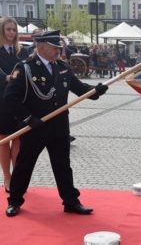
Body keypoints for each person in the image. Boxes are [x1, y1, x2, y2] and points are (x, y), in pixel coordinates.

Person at [3, 30, 108, 217]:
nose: (58, 51)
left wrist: (96, 91)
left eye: (59, 47)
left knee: (63, 165)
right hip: (34, 126)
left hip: (59, 126)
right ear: (41, 47)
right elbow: (10, 98)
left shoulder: (63, 67)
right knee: (24, 165)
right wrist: (28, 118)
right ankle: (15, 201)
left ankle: (71, 201)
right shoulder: (26, 67)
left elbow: (79, 88)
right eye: (55, 47)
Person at [0, 17, 29, 193]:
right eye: (8, 29)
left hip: (18, 101)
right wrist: (6, 78)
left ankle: (17, 177)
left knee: (18, 138)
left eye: (14, 30)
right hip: (1, 100)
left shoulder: (23, 52)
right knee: (4, 139)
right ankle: (7, 177)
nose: (12, 33)